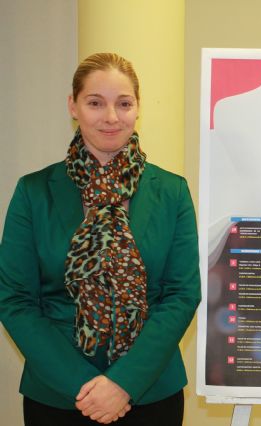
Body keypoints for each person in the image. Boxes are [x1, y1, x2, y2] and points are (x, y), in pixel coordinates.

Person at [0, 53, 201, 425]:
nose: (111, 117)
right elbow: (15, 299)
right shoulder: (34, 191)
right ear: (73, 106)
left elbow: (181, 294)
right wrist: (84, 386)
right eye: (95, 103)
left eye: (123, 103)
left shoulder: (172, 191)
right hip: (59, 395)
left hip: (150, 391)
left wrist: (124, 383)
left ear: (137, 108)